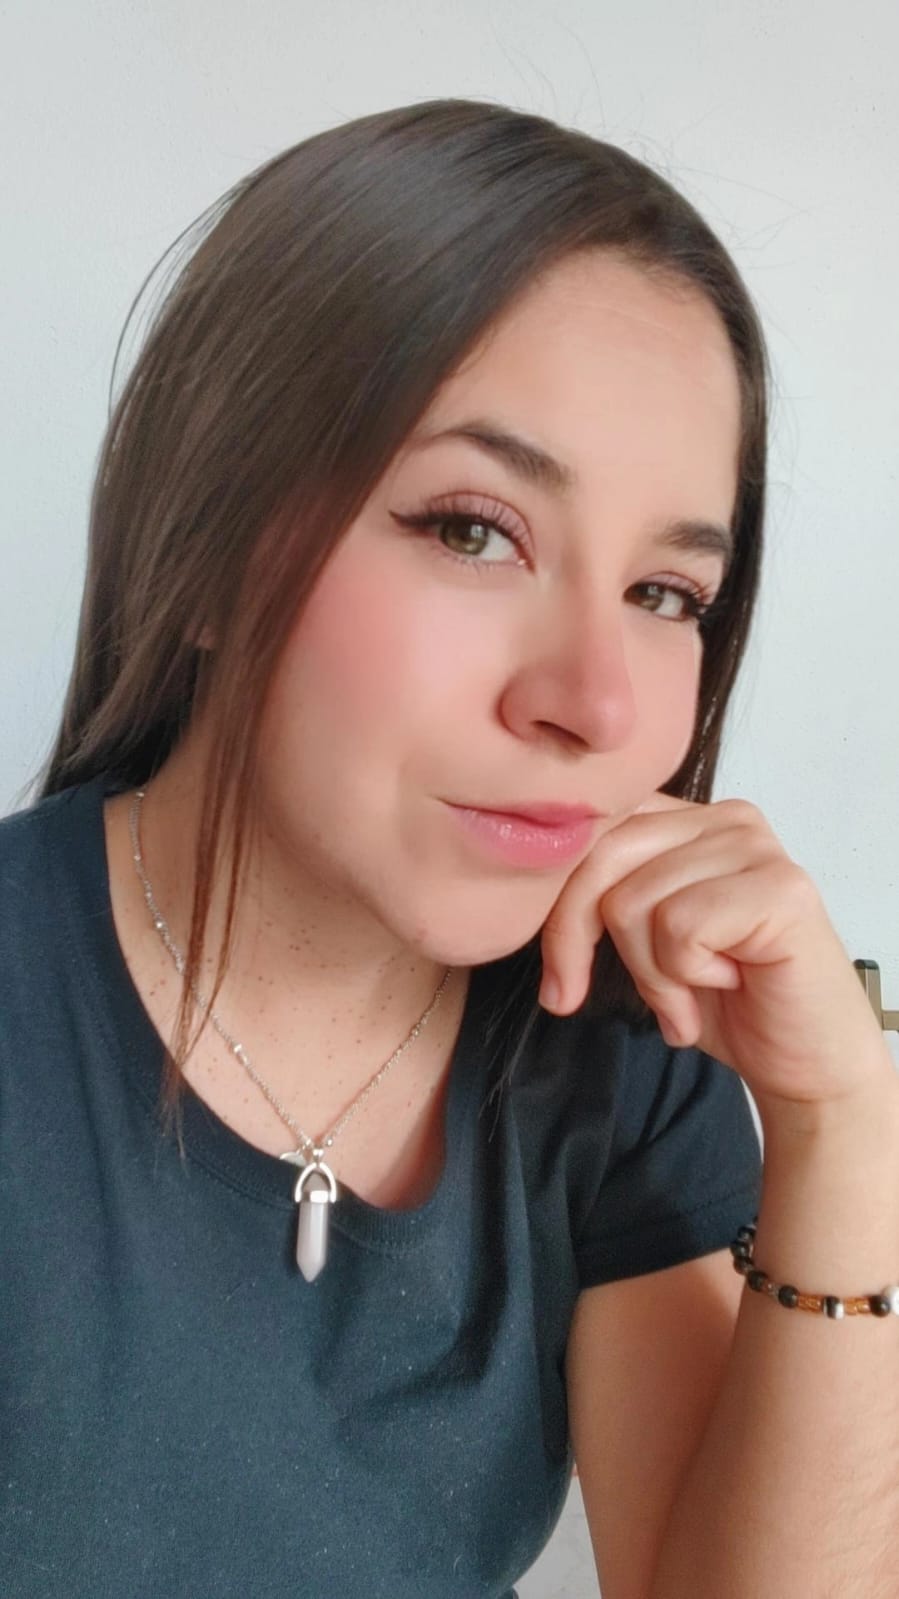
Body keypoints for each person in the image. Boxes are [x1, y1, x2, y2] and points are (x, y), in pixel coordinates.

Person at [2, 97, 897, 1599]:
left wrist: (842, 1128)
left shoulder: (621, 1053)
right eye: (476, 531)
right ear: (209, 548)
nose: (596, 706)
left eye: (667, 596)